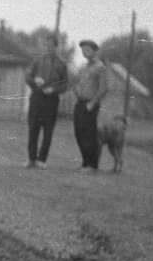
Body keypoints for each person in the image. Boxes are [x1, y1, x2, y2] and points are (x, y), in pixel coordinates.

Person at [25, 33, 69, 168]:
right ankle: (31, 159)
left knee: (48, 131)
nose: (49, 48)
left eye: (51, 46)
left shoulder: (62, 64)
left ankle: (42, 160)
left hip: (51, 101)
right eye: (47, 45)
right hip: (36, 98)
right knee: (33, 128)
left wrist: (54, 89)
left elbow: (65, 84)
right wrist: (34, 81)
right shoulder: (37, 61)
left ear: (56, 47)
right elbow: (28, 77)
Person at [71, 39, 109, 171]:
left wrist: (92, 103)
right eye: (82, 50)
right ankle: (85, 163)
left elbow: (104, 88)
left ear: (94, 51)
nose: (84, 52)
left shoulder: (100, 67)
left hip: (90, 104)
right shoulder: (84, 67)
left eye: (87, 50)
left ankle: (92, 165)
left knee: (89, 135)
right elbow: (78, 83)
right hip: (80, 103)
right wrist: (76, 90)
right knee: (79, 133)